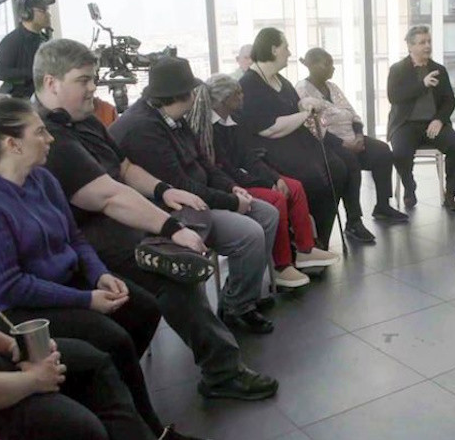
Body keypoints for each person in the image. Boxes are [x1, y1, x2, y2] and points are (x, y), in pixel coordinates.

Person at [32, 37, 278, 401]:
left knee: (176, 260)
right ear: (51, 83)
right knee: (173, 273)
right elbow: (107, 196)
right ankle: (221, 371)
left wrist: (163, 191)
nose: (93, 87)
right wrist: (171, 227)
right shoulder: (50, 134)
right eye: (83, 80)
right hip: (85, 233)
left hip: (118, 217)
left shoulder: (84, 120)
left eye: (93, 78)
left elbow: (125, 168)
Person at [0, 98, 206, 440]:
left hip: (63, 283)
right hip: (15, 307)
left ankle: (110, 401)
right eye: (40, 132)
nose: (50, 138)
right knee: (114, 342)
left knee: (144, 310)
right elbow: (9, 286)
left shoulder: (43, 179)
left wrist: (99, 275)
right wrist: (86, 300)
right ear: (13, 144)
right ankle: (146, 428)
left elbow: (75, 238)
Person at [109, 57, 279, 333]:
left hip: (201, 200)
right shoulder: (143, 128)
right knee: (250, 233)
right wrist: (232, 202)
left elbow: (204, 164)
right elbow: (180, 187)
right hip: (177, 213)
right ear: (182, 95)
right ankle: (238, 308)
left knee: (267, 214)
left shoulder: (175, 119)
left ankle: (238, 296)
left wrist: (231, 188)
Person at [187, 74, 339, 289]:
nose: (242, 96)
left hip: (245, 176)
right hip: (229, 184)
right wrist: (266, 183)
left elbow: (248, 156)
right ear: (224, 99)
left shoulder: (236, 121)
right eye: (237, 94)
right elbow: (224, 169)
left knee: (294, 187)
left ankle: (305, 249)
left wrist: (274, 177)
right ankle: (281, 265)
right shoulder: (207, 130)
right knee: (276, 199)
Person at [237, 27, 376, 248]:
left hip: (297, 140)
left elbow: (294, 107)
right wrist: (304, 114)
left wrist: (305, 104)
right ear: (273, 49)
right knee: (317, 178)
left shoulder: (281, 81)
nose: (289, 53)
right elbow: (268, 129)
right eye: (285, 47)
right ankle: (305, 240)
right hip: (272, 147)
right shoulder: (249, 84)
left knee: (341, 166)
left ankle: (323, 236)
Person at [296, 48, 408, 223]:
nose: (333, 68)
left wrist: (359, 137)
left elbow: (353, 114)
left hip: (352, 138)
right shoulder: (302, 90)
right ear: (314, 66)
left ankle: (383, 206)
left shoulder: (333, 87)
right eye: (328, 64)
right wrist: (345, 144)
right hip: (328, 144)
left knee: (382, 151)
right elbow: (312, 127)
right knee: (350, 161)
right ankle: (354, 221)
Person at [387, 25, 455, 212]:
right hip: (405, 124)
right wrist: (422, 84)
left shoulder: (439, 69)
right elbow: (394, 97)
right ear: (410, 46)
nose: (427, 46)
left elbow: (449, 100)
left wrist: (439, 119)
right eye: (422, 42)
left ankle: (450, 195)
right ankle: (409, 187)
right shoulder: (397, 69)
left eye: (429, 41)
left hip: (433, 124)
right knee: (400, 153)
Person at [0, 0, 55, 98]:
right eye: (43, 10)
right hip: (20, 99)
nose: (48, 14)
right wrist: (34, 73)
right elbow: (0, 72)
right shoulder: (12, 40)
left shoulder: (44, 39)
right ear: (27, 13)